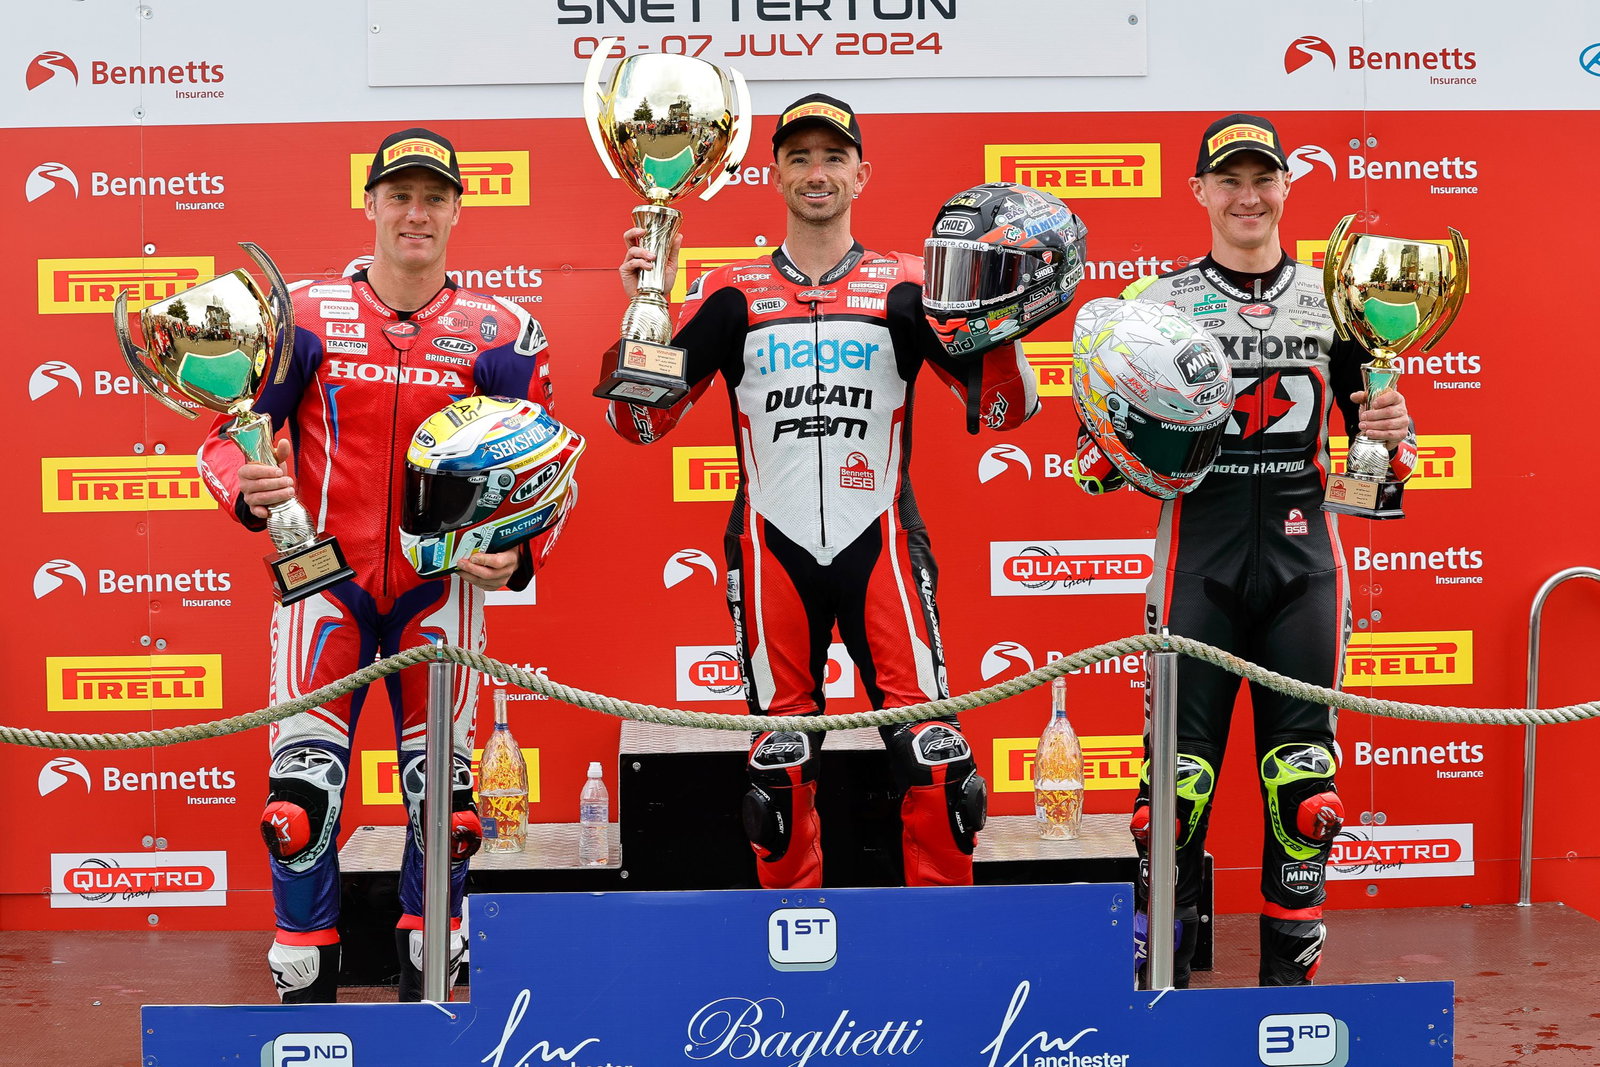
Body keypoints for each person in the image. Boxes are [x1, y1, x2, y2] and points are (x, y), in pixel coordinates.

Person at [610, 94, 1041, 889]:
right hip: (767, 549)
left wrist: (1003, 326)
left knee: (937, 762)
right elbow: (639, 427)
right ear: (772, 172)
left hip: (882, 545)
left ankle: (940, 947)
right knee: (777, 775)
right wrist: (646, 306)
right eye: (799, 157)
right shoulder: (730, 292)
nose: (816, 172)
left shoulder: (910, 288)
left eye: (833, 157)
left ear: (861, 173)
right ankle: (795, 950)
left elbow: (1006, 411)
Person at [198, 127, 567, 1003]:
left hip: (437, 592)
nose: (415, 213)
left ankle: (430, 993)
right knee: (300, 808)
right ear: (369, 204)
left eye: (433, 198)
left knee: (447, 812)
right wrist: (241, 484)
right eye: (399, 195)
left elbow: (548, 467)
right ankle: (305, 995)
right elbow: (225, 430)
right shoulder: (304, 314)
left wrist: (520, 552)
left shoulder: (502, 333)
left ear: (457, 211)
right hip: (321, 586)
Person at [1072, 114, 1418, 987]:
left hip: (1305, 570)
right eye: (1229, 180)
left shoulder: (1339, 299)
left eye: (1263, 178)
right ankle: (1164, 994)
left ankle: (1283, 1005)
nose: (1248, 196)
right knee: (1173, 799)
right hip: (1197, 565)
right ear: (1199, 193)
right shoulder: (1157, 304)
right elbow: (1096, 465)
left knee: (1306, 797)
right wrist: (1110, 450)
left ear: (1286, 188)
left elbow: (1383, 467)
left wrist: (1389, 433)